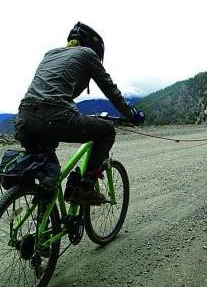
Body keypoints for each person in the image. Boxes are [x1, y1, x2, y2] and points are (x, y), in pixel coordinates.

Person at [14, 22, 145, 205]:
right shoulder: (87, 54)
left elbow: (56, 92)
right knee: (107, 131)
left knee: (49, 173)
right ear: (94, 48)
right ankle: (84, 188)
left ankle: (44, 219)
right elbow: (110, 90)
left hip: (24, 119)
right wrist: (131, 114)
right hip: (55, 118)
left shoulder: (50, 54)